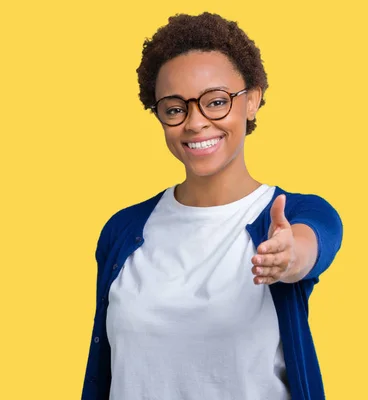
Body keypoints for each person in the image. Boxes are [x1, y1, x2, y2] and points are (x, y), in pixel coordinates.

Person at [81, 12, 343, 400]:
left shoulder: (291, 215)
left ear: (251, 100)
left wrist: (289, 258)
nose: (195, 122)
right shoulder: (122, 230)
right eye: (174, 109)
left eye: (216, 102)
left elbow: (308, 245)